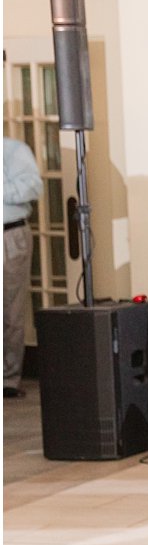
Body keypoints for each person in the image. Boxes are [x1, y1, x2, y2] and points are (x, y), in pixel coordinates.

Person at [3, 136, 42, 398]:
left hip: (8, 235)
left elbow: (33, 187)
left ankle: (8, 378)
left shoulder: (13, 150)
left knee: (9, 309)